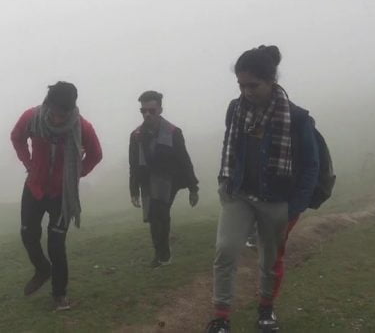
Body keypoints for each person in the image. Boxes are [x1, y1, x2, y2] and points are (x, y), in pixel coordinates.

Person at [206, 46, 320, 333]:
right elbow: (229, 145)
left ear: (271, 81)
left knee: (270, 260)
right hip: (238, 195)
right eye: (241, 85)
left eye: (253, 85)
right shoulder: (235, 109)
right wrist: (224, 181)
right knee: (225, 250)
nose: (246, 92)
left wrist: (295, 208)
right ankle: (221, 317)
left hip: (277, 200)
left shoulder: (297, 118)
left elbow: (311, 166)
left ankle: (266, 310)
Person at [10, 81, 103, 311]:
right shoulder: (32, 118)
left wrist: (77, 173)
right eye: (56, 113)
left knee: (56, 244)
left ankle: (59, 294)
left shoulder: (81, 127)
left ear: (72, 109)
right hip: (34, 187)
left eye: (65, 114)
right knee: (28, 234)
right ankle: (42, 269)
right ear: (47, 104)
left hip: (62, 194)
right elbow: (16, 137)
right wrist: (28, 162)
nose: (59, 119)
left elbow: (96, 154)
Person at [128, 90, 199, 267]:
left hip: (170, 180)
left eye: (151, 110)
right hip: (147, 179)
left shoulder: (173, 132)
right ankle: (160, 253)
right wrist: (133, 190)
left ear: (160, 109)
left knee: (161, 213)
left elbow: (184, 159)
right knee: (153, 216)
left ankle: (163, 254)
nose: (147, 115)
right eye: (143, 111)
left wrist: (193, 187)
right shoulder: (136, 135)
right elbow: (134, 165)